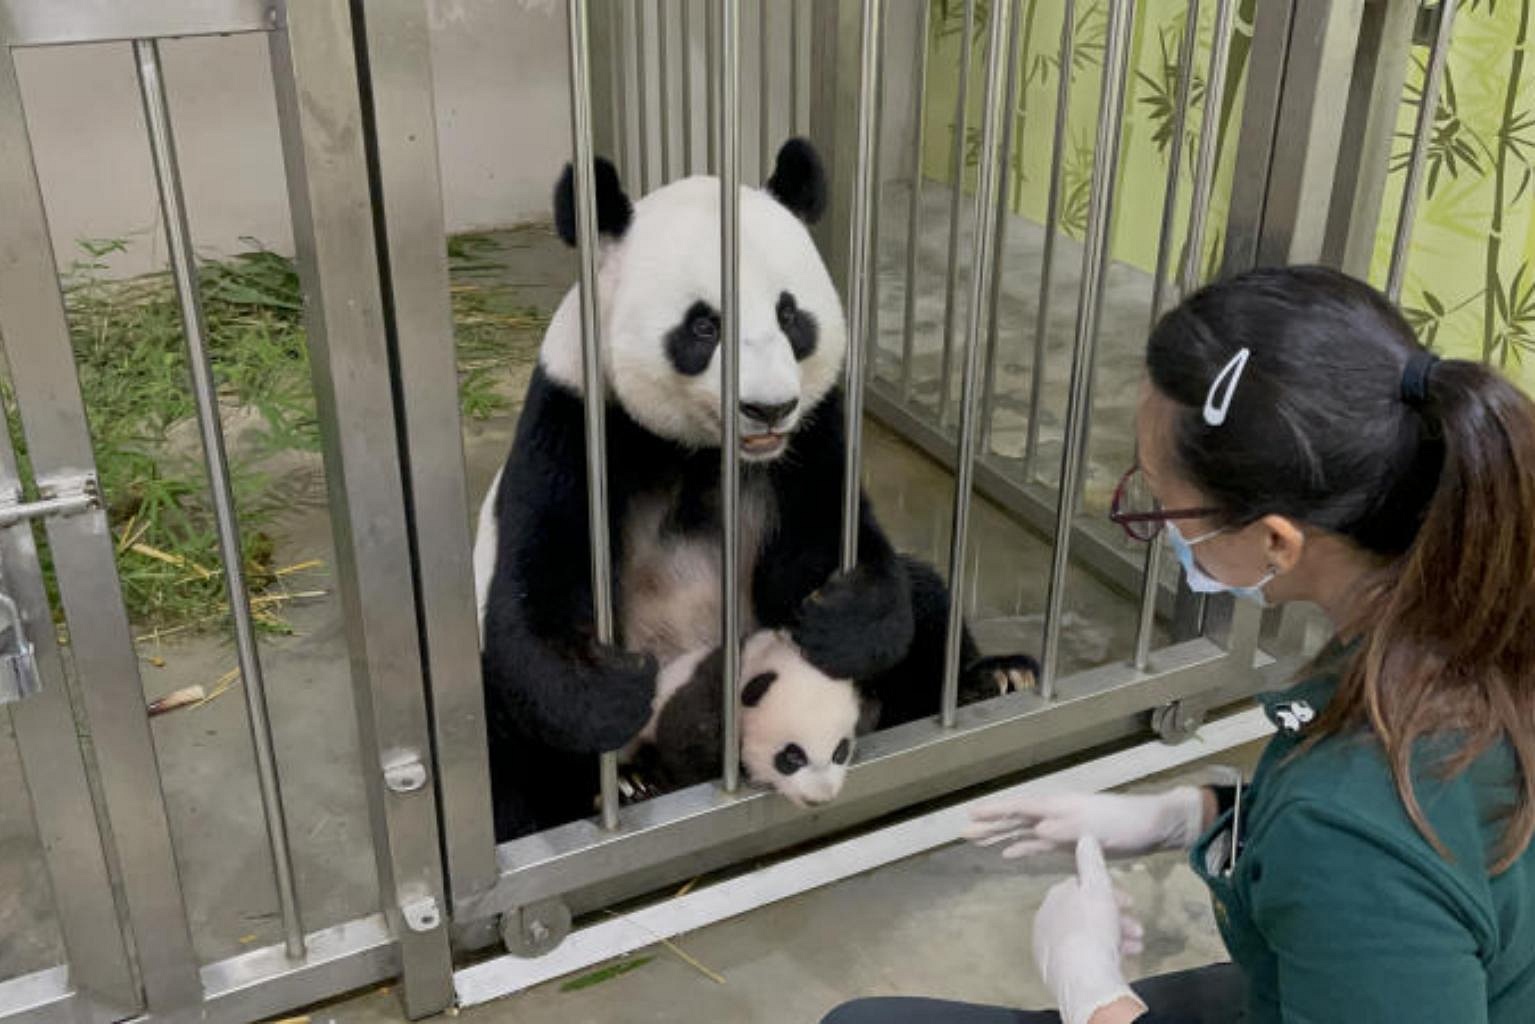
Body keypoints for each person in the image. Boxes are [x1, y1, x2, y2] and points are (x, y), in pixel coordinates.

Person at [821, 266, 1535, 1024]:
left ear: (1274, 541)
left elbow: (1364, 849)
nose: (1148, 518)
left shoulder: (1349, 824)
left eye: (1162, 504)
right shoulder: (1462, 612)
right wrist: (1192, 815)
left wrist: (1091, 990)